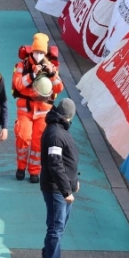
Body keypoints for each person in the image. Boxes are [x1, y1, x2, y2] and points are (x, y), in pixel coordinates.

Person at [13, 34, 64, 183]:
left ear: (45, 53)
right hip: (25, 110)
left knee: (38, 143)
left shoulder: (52, 67)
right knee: (23, 137)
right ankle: (21, 167)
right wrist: (33, 74)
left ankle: (34, 171)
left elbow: (59, 87)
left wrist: (53, 74)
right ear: (32, 51)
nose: (38, 55)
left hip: (43, 112)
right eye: (36, 52)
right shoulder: (22, 66)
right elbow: (18, 84)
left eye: (42, 52)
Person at [40, 98, 79, 258]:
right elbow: (55, 165)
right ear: (69, 116)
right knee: (56, 228)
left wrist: (74, 181)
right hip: (56, 189)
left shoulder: (59, 129)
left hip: (62, 188)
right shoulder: (56, 134)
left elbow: (67, 160)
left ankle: (48, 253)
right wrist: (65, 191)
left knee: (58, 227)